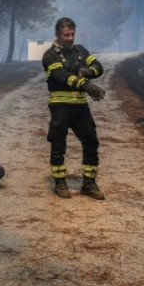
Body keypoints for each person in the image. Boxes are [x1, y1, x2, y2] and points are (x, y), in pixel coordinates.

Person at [41, 17, 106, 200]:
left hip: (80, 107)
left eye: (72, 34)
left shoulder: (81, 50)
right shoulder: (50, 56)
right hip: (60, 107)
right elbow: (61, 76)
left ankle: (89, 184)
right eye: (66, 35)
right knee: (58, 144)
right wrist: (85, 84)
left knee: (91, 142)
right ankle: (60, 182)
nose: (70, 38)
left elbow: (98, 67)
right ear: (57, 34)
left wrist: (87, 71)